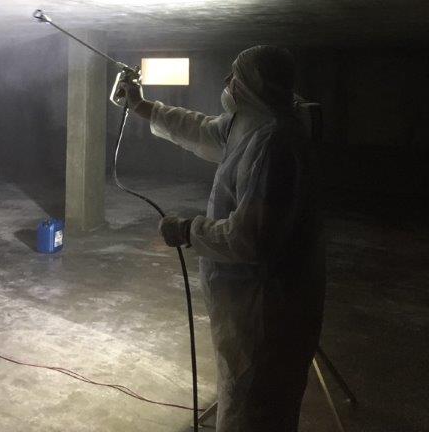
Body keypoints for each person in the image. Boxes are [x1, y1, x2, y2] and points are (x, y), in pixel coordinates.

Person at [118, 46, 325, 432]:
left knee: (254, 409)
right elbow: (200, 129)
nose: (227, 82)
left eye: (235, 76)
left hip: (264, 310)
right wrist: (142, 107)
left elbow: (250, 238)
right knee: (246, 395)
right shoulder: (250, 123)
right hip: (248, 305)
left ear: (254, 85)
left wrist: (187, 230)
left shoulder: (274, 143)